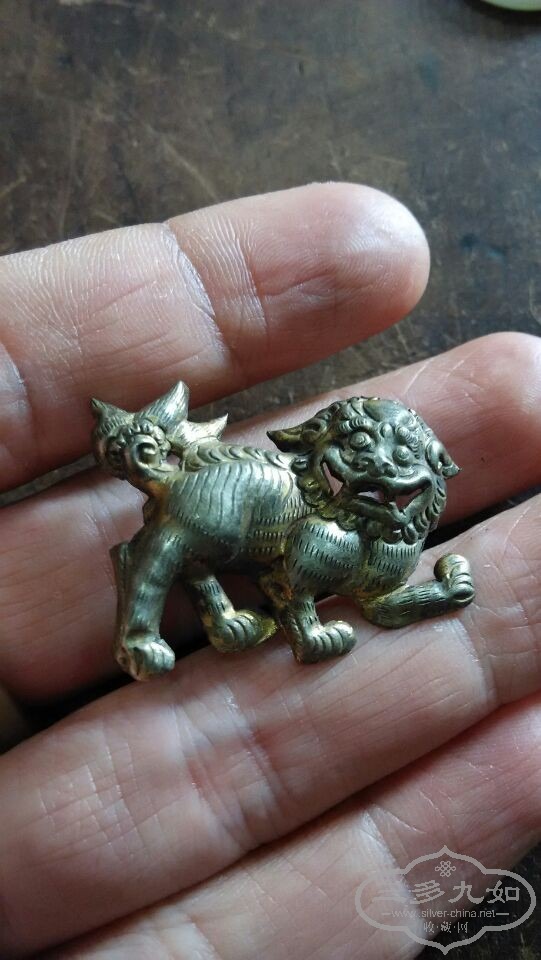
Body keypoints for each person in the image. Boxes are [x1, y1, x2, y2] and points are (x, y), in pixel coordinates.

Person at [0, 182, 539, 959]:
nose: (385, 465)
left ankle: (203, 602)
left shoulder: (382, 544)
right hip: (246, 513)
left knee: (193, 548)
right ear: (320, 448)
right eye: (364, 448)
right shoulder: (304, 514)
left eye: (404, 457)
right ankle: (146, 620)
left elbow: (378, 603)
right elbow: (293, 581)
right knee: (178, 541)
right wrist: (303, 626)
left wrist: (439, 594)